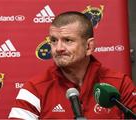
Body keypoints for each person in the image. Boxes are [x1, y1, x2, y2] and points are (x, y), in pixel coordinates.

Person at [8, 11, 136, 119]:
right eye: (53, 41)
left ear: (89, 46)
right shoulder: (34, 88)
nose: (58, 48)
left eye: (68, 40)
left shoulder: (120, 83)